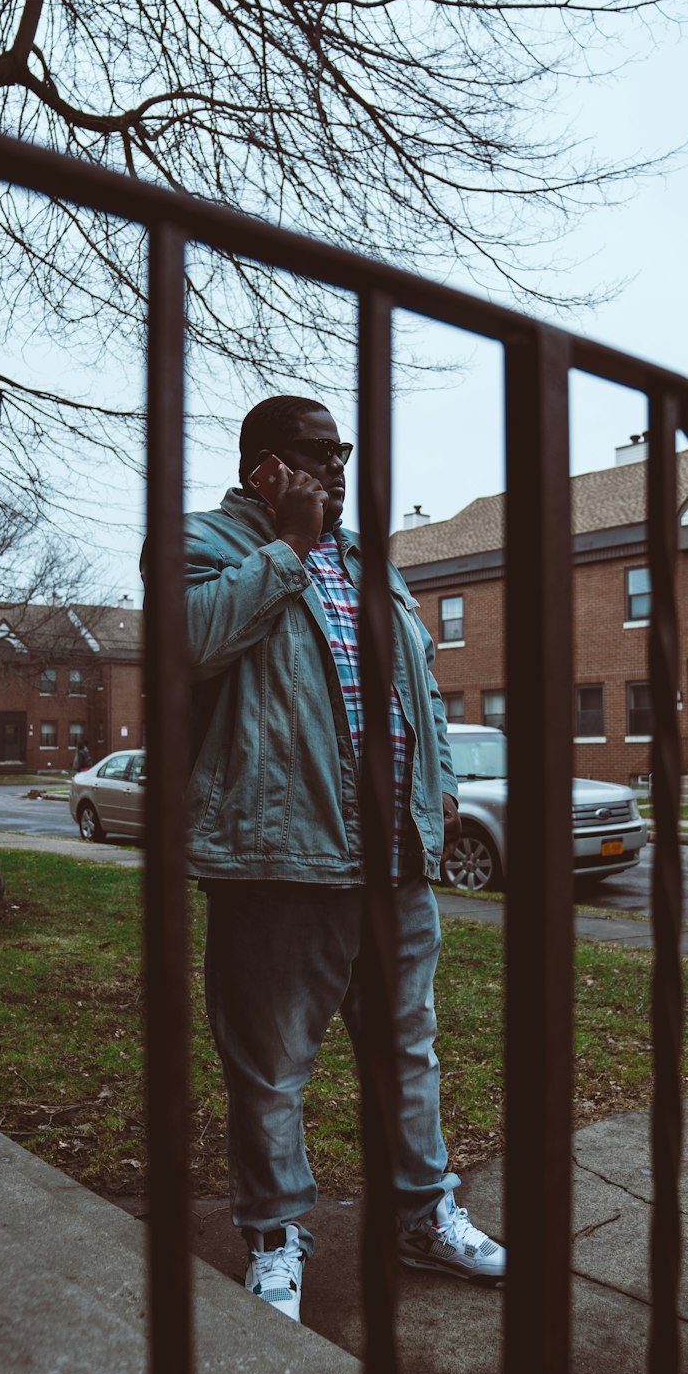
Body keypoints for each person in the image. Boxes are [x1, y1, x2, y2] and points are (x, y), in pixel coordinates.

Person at [182, 394, 506, 1322]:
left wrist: (438, 789)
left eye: (343, 453)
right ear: (265, 467)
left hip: (394, 863)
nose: (337, 468)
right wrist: (286, 546)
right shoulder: (205, 543)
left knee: (410, 1054)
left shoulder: (372, 563)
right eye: (316, 454)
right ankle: (276, 1240)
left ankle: (422, 1216)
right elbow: (190, 641)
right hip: (279, 860)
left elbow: (424, 690)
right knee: (274, 1068)